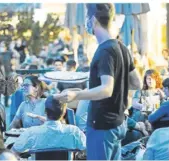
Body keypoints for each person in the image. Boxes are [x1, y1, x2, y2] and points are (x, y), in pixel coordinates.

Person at [54, 3, 142, 160]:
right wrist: (122, 99)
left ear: (93, 19)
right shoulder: (121, 47)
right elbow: (137, 83)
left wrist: (76, 94)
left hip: (102, 125)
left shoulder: (104, 50)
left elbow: (106, 89)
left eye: (87, 17)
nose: (87, 21)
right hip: (118, 123)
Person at [11, 96, 86, 156]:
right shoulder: (74, 131)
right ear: (64, 112)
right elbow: (87, 150)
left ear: (45, 111)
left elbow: (12, 153)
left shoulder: (31, 132)